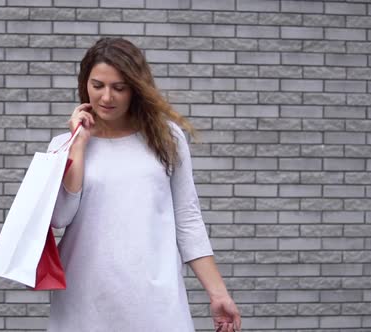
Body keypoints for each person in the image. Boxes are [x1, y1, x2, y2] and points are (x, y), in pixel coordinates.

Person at [45, 37, 241, 332]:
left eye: (119, 88)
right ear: (85, 83)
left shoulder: (166, 138)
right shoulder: (64, 145)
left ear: (136, 88)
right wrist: (78, 146)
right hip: (84, 301)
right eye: (97, 85)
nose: (107, 97)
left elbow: (187, 218)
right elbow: (60, 217)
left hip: (155, 301)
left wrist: (218, 293)